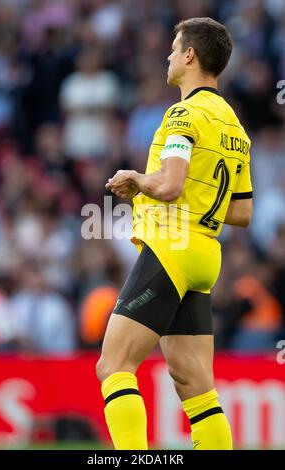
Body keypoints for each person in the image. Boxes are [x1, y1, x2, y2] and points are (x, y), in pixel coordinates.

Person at [97, 17, 253, 450]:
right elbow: (241, 212)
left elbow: (169, 185)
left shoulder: (185, 113)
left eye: (173, 48)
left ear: (189, 56)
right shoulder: (235, 128)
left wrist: (137, 178)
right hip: (205, 255)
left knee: (114, 366)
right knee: (195, 386)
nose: (167, 55)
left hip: (171, 249)